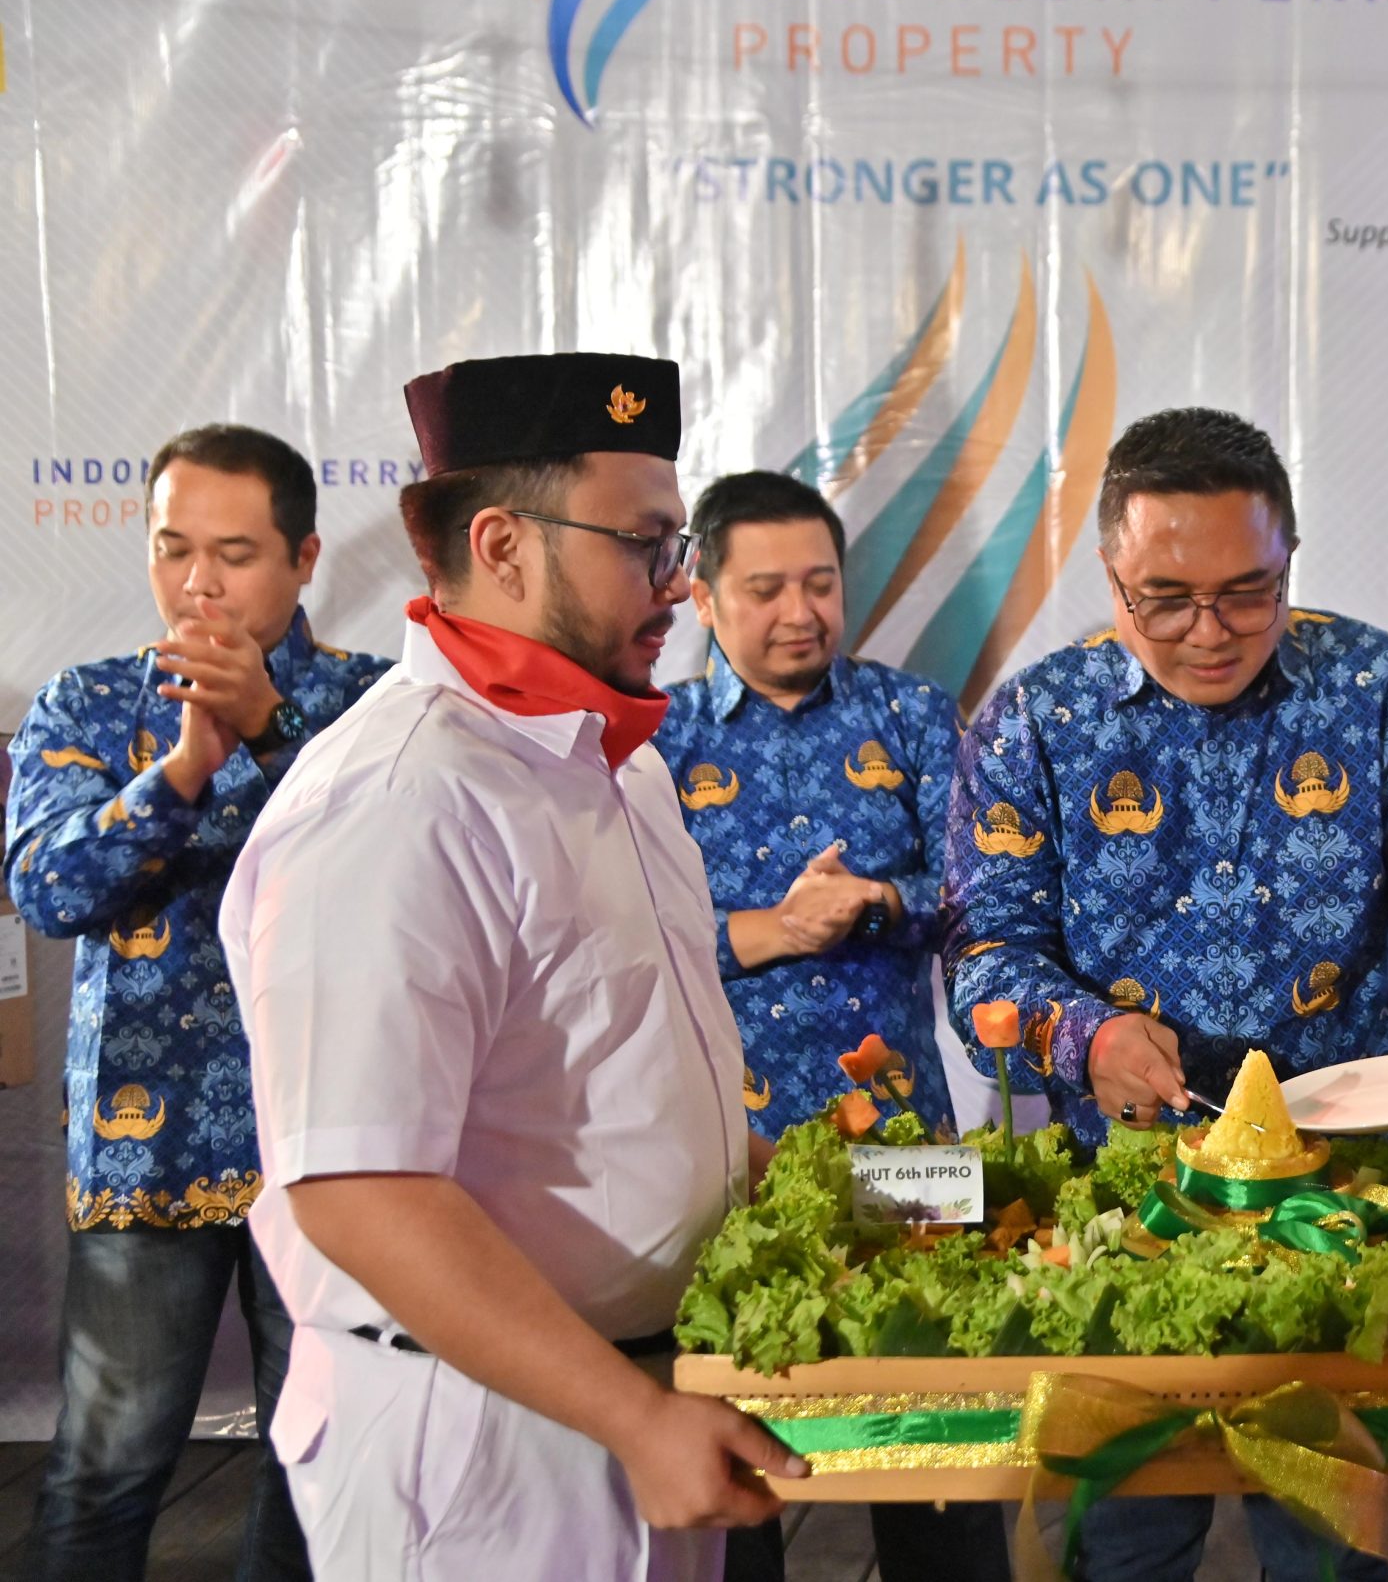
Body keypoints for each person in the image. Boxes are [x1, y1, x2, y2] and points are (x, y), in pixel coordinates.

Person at [220, 354, 805, 1582]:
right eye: (645, 543)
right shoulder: (398, 797)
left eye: (678, 542)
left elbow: (618, 1087)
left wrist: (820, 1191)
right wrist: (632, 1415)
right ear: (502, 545)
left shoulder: (617, 762)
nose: (679, 581)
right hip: (480, 1444)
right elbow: (360, 1185)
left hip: (635, 1400)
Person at [944, 405, 1388, 1582]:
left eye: (1246, 592)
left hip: (1346, 1194)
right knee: (1123, 1538)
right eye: (1165, 599)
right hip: (1132, 1196)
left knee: (1331, 1541)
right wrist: (1084, 1033)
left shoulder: (1375, 686)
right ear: (1109, 570)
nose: (1209, 632)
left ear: (1289, 559)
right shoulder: (1034, 721)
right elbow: (986, 954)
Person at [6, 425, 388, 1582]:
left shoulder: (379, 703)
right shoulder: (88, 699)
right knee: (105, 1464)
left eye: (235, 553)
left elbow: (397, 875)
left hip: (335, 1144)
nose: (199, 584)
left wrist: (268, 732)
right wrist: (176, 772)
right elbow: (47, 888)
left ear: (305, 557)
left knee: (317, 1461)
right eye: (174, 548)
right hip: (147, 1140)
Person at [653, 469, 1008, 1582]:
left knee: (942, 1431)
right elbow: (614, 938)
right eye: (765, 589)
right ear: (702, 595)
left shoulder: (912, 715)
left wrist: (881, 900)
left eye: (819, 583)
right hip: (722, 1149)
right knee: (735, 1451)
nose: (799, 611)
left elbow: (988, 895)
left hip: (908, 1139)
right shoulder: (655, 738)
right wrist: (773, 929)